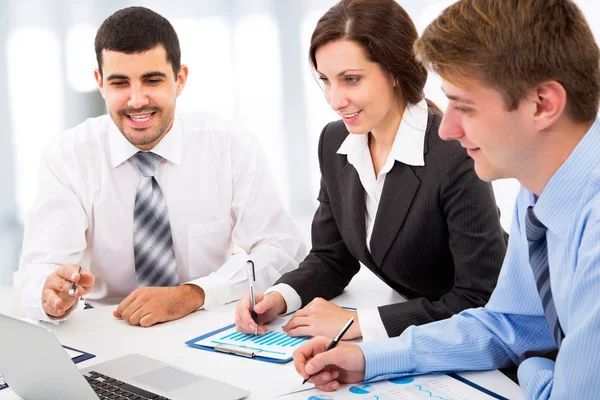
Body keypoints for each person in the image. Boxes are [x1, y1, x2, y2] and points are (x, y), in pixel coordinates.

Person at [292, 0, 600, 398]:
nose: (446, 128)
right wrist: (371, 358)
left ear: (543, 104)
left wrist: (536, 369)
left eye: (465, 107)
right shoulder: (539, 187)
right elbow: (508, 324)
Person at [18, 6, 309, 327]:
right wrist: (50, 292)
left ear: (180, 79)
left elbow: (283, 248)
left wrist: (193, 293)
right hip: (105, 328)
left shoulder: (229, 145)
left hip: (204, 319)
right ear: (100, 82)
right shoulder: (67, 157)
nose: (137, 99)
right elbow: (42, 266)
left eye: (152, 80)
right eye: (119, 83)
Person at [235, 0, 506, 342]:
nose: (335, 100)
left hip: (485, 337)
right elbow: (332, 258)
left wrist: (360, 323)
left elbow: (477, 297)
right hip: (420, 329)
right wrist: (278, 298)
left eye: (350, 80)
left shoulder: (453, 152)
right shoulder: (336, 141)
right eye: (326, 81)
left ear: (395, 71)